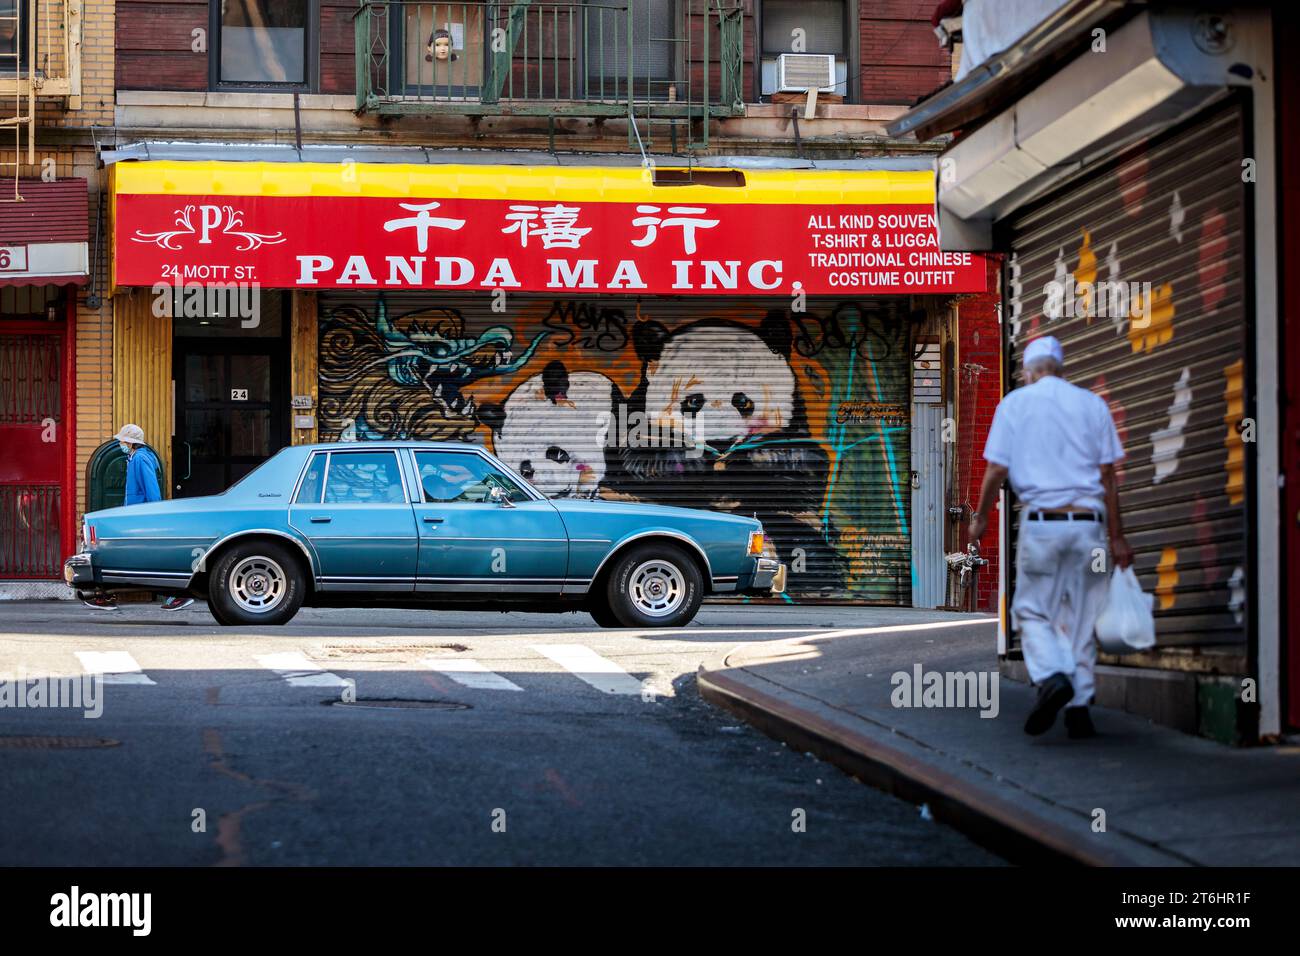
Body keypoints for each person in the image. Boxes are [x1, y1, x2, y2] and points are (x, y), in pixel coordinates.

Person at [968, 336, 1133, 739]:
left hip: (1043, 525)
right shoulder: (1092, 405)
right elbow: (1109, 476)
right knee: (1081, 616)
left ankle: (1053, 676)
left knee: (1032, 611)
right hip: (1089, 526)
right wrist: (1118, 538)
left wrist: (981, 518)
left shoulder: (1015, 405)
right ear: (1061, 369)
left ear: (1028, 371)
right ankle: (1079, 706)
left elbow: (995, 470)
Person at [82, 425, 194, 612]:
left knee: (139, 556)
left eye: (122, 440)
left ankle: (176, 594)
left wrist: (154, 513)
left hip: (140, 517)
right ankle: (107, 595)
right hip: (133, 515)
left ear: (131, 442)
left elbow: (151, 489)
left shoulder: (141, 459)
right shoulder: (133, 458)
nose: (120, 443)